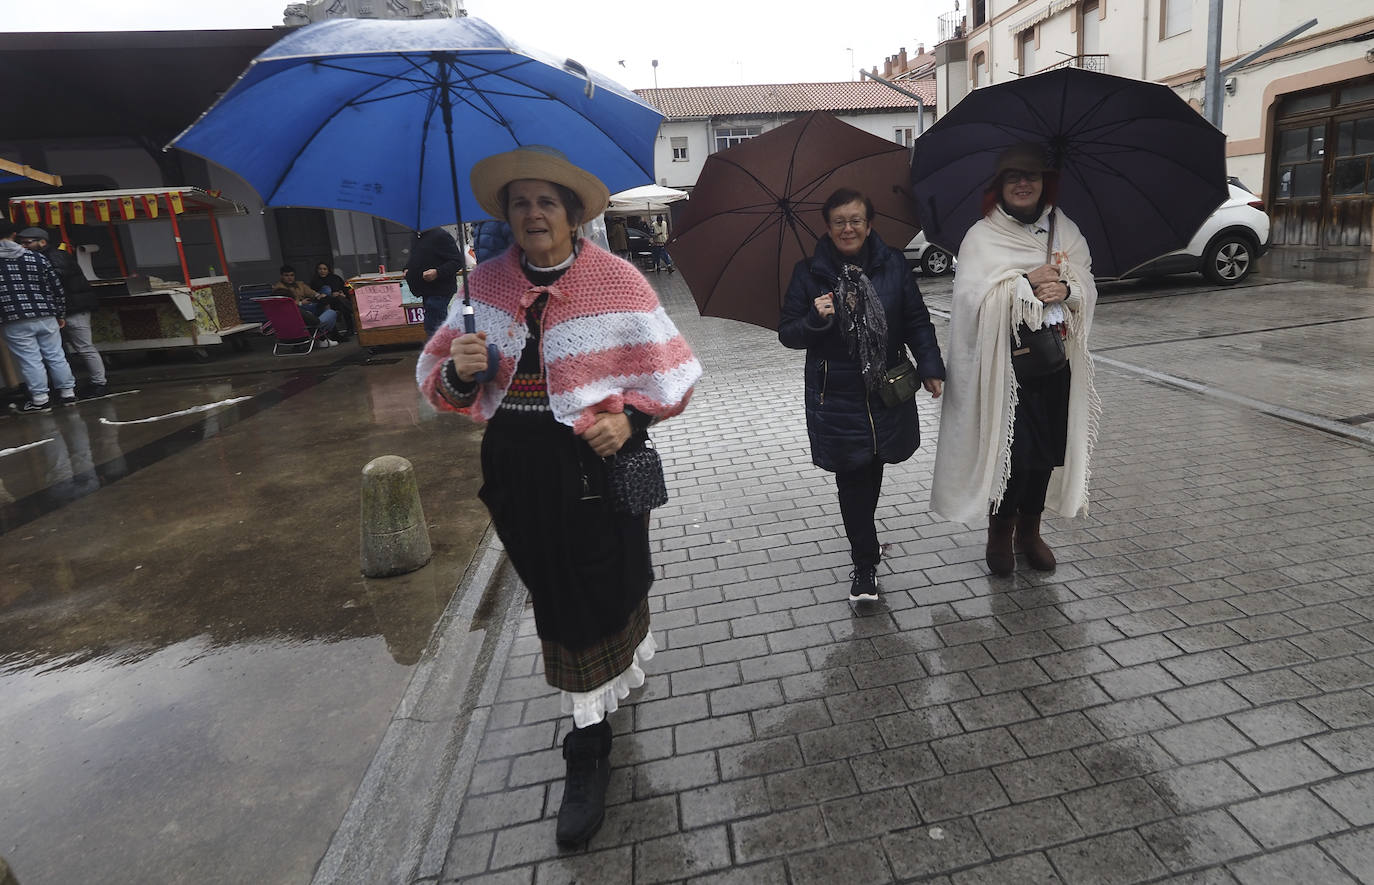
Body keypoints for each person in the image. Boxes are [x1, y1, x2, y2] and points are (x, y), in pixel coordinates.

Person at [416, 145, 701, 848]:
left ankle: (587, 746)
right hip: (519, 472)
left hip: (597, 465)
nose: (533, 214)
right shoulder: (480, 287)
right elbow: (442, 389)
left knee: (602, 582)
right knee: (558, 592)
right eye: (520, 203)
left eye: (547, 202)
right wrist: (460, 370)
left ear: (574, 214)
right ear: (506, 216)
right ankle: (593, 707)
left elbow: (676, 372)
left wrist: (627, 416)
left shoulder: (618, 281)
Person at [930, 143, 1100, 576]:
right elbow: (971, 301)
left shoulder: (1066, 230)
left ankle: (1031, 532)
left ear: (1046, 182)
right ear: (999, 186)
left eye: (1032, 176)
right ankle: (999, 533)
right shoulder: (982, 236)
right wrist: (1023, 284)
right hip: (1005, 371)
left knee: (1045, 454)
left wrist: (1067, 290)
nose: (1023, 184)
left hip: (1055, 363)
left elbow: (1086, 281)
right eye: (1013, 177)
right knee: (1012, 454)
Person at [778, 188, 945, 602]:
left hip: (886, 389)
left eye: (856, 220)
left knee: (872, 469)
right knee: (852, 478)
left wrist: (931, 367)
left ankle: (864, 542)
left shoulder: (893, 268)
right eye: (839, 221)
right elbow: (788, 334)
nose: (848, 228)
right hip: (836, 395)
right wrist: (816, 320)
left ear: (869, 224)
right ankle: (865, 563)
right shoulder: (808, 273)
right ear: (828, 227)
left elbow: (916, 321)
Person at [19, 227, 107, 397]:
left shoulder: (54, 257)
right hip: (63, 309)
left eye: (27, 243)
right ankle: (75, 385)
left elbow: (56, 280)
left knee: (83, 348)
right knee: (62, 351)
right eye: (21, 243)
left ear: (42, 242)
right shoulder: (47, 256)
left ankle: (99, 383)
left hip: (73, 309)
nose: (23, 246)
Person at [0, 219, 77, 413]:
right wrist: (59, 313)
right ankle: (68, 393)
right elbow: (56, 287)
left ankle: (40, 399)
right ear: (15, 235)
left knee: (30, 359)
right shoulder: (36, 258)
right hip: (45, 314)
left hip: (13, 317)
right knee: (56, 355)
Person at [405, 226, 463, 337]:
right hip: (425, 289)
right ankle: (440, 350)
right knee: (432, 325)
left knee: (435, 325)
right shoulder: (416, 237)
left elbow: (457, 261)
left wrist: (437, 272)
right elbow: (416, 258)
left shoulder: (440, 235)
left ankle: (441, 351)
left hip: (439, 290)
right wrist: (407, 269)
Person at [270, 264, 338, 342]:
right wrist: (300, 303)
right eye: (286, 275)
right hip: (297, 311)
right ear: (281, 276)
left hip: (308, 307)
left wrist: (318, 295)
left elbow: (310, 292)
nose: (290, 278)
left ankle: (325, 334)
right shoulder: (279, 288)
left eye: (292, 275)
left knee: (326, 294)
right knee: (332, 312)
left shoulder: (299, 284)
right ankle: (323, 336)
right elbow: (285, 305)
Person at [306, 261, 354, 336]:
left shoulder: (335, 278)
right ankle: (352, 312)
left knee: (341, 302)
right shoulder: (314, 281)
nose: (322, 271)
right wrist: (331, 295)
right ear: (317, 270)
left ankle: (347, 330)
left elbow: (346, 287)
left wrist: (343, 294)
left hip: (338, 300)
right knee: (339, 302)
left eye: (325, 269)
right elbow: (315, 295)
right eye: (320, 269)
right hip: (324, 303)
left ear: (328, 270)